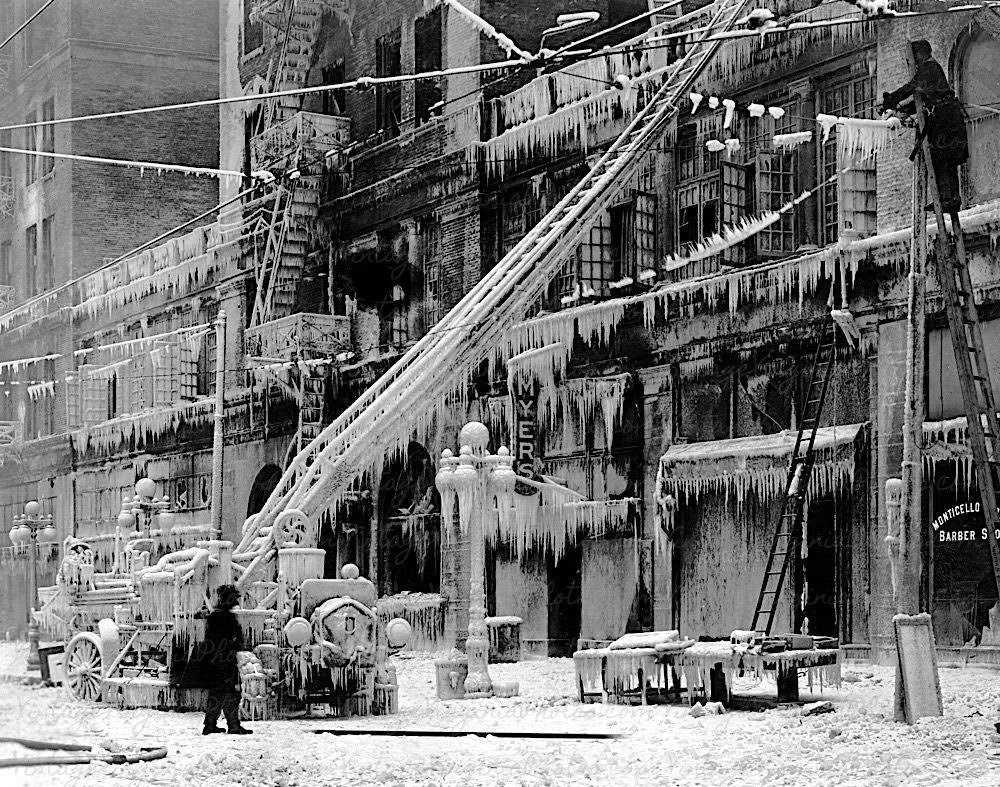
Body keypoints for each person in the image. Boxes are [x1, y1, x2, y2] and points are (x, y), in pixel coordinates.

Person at [881, 40, 969, 213]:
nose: (914, 61)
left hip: (944, 119)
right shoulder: (932, 70)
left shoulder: (929, 68)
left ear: (921, 54)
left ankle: (948, 198)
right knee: (945, 159)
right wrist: (899, 108)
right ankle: (951, 198)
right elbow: (921, 100)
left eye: (915, 57)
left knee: (941, 157)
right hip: (948, 116)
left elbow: (912, 87)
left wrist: (892, 99)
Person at [202, 584, 252, 735]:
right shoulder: (224, 617)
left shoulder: (215, 616)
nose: (236, 601)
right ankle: (232, 725)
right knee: (230, 692)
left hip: (216, 661)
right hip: (224, 660)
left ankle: (211, 725)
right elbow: (228, 639)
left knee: (218, 693)